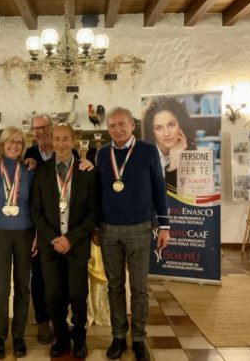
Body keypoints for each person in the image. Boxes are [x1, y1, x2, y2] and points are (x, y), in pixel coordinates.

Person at [95, 107, 170, 361]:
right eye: (112, 125)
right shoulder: (102, 154)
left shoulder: (149, 151)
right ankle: (118, 335)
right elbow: (96, 193)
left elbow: (160, 190)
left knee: (138, 288)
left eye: (121, 124)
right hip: (108, 230)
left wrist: (165, 226)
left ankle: (138, 338)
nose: (117, 129)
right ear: (108, 129)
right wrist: (96, 226)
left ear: (132, 125)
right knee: (114, 286)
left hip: (139, 227)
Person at [30, 123, 100, 359]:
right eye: (56, 139)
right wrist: (53, 239)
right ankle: (61, 338)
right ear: (51, 141)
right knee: (53, 295)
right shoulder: (41, 171)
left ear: (73, 141)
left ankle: (79, 338)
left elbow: (93, 213)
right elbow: (36, 211)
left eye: (65, 139)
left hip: (77, 245)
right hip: (50, 247)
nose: (60, 144)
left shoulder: (87, 171)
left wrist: (70, 239)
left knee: (78, 295)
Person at [0, 126, 35, 359]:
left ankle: (19, 336)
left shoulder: (29, 170)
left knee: (23, 286)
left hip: (25, 233)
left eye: (19, 143)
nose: (14, 146)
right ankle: (0, 337)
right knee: (2, 287)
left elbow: (36, 205)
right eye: (9, 142)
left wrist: (38, 235)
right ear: (2, 145)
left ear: (23, 147)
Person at [142, 97, 196, 193]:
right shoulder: (145, 156)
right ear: (152, 131)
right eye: (158, 128)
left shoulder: (190, 150)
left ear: (181, 125)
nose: (166, 133)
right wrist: (173, 166)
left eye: (171, 125)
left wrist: (176, 157)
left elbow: (188, 197)